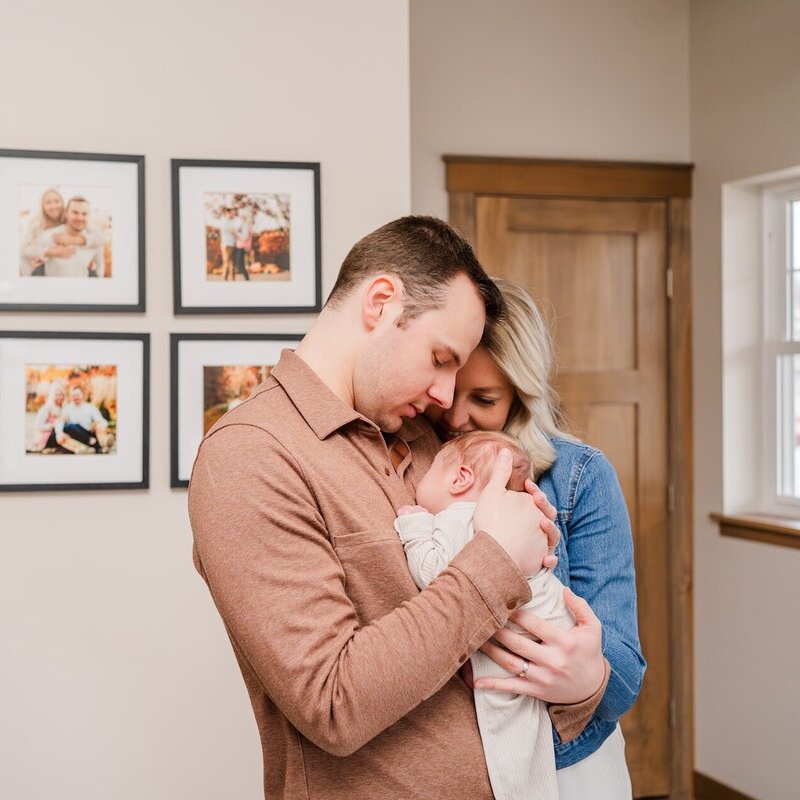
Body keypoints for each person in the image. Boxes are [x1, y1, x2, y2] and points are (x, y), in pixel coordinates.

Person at [189, 216, 608, 800]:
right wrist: (495, 559)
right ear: (381, 303)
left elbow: (510, 658)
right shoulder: (250, 456)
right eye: (440, 358)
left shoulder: (427, 442)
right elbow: (331, 703)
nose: (445, 396)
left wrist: (585, 684)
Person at [422, 279, 644, 799]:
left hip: (566, 767)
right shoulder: (412, 465)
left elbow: (626, 672)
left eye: (484, 399)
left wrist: (585, 679)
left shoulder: (578, 478)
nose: (457, 418)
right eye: (452, 393)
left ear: (522, 397)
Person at [395, 429, 575, 800]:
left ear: (460, 479)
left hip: (511, 653)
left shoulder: (460, 516)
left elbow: (435, 576)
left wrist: (414, 527)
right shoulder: (517, 519)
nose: (419, 481)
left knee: (508, 759)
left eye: (429, 471)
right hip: (547, 638)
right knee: (531, 759)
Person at [41, 196, 104, 278]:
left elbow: (100, 267)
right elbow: (26, 252)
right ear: (66, 213)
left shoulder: (95, 240)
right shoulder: (51, 235)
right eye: (75, 212)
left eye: (84, 214)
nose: (80, 218)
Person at [55, 386, 112, 454]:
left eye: (78, 395)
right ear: (70, 396)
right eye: (73, 395)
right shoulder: (66, 408)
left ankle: (103, 444)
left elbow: (101, 420)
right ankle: (87, 449)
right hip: (75, 435)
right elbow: (60, 422)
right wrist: (59, 433)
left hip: (89, 432)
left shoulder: (90, 407)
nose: (75, 397)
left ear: (82, 395)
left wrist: (102, 425)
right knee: (69, 428)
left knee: (98, 424)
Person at [30, 384, 68, 452]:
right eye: (57, 395)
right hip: (46, 436)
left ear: (64, 396)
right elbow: (37, 426)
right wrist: (52, 425)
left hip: (58, 435)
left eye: (61, 395)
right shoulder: (47, 408)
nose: (59, 397)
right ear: (53, 396)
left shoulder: (64, 409)